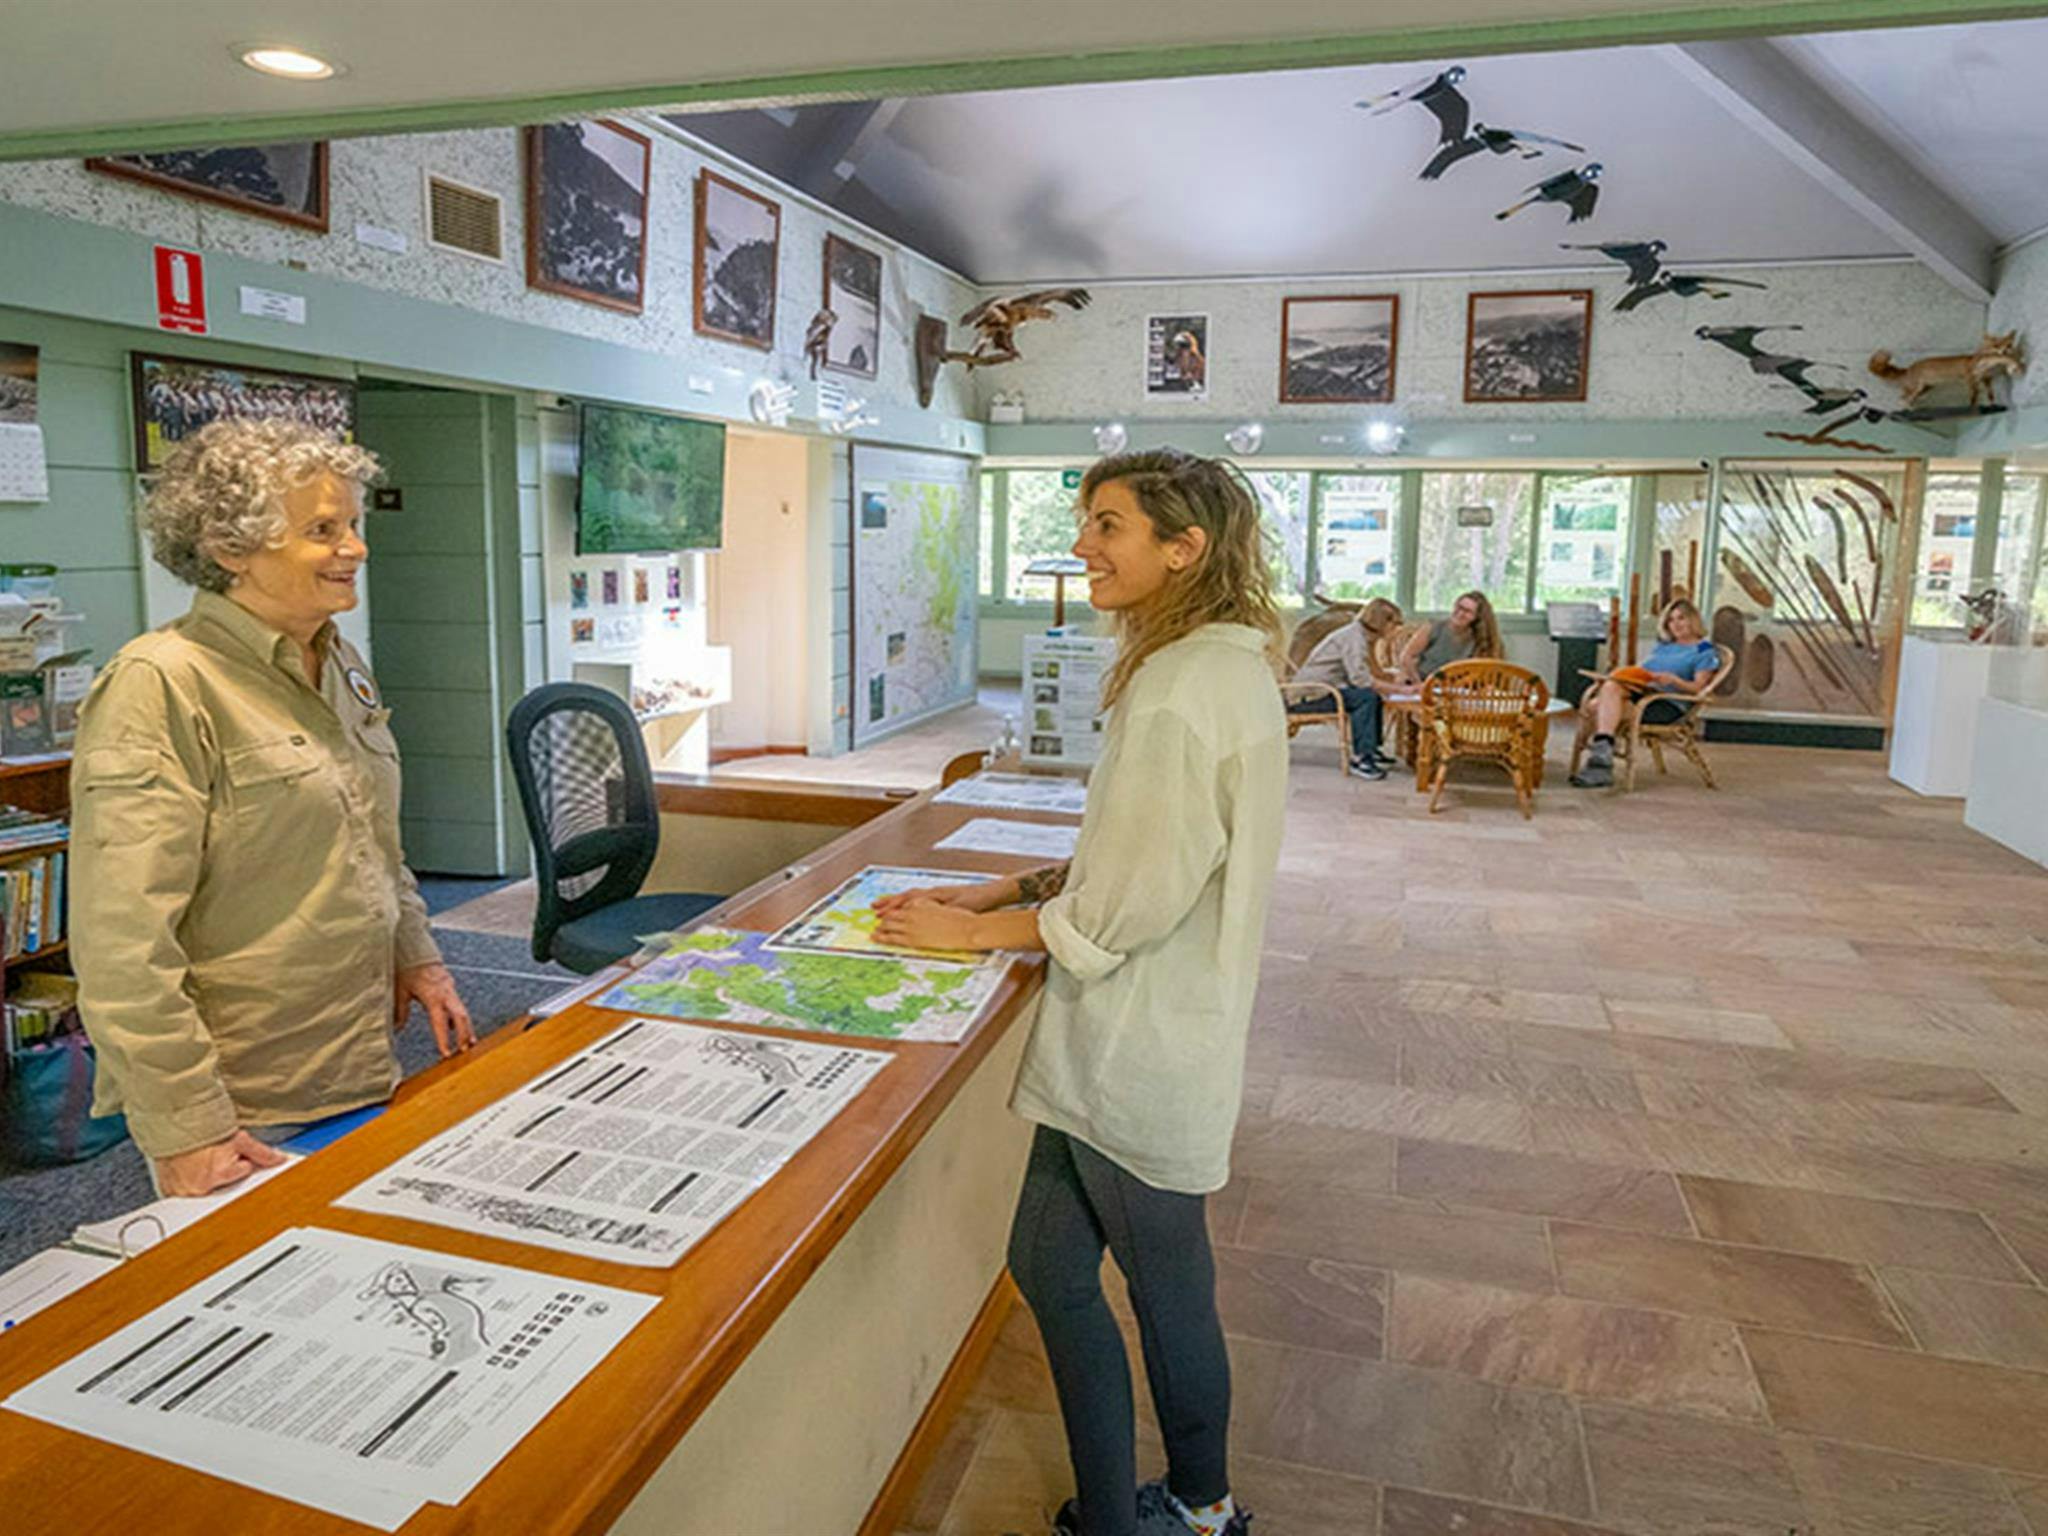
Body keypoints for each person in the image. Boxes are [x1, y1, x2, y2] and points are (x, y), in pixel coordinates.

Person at [874, 449, 1285, 1536]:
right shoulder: (1212, 665)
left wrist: (973, 932)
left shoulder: (1180, 691)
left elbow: (1127, 905)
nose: (1083, 546)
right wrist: (1011, 881)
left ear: (1181, 548)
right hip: (1115, 1041)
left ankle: (1200, 1510)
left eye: (1109, 526)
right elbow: (1141, 852)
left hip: (1139, 1047)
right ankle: (1110, 1513)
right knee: (1048, 1268)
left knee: (1167, 1295)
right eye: (1084, 521)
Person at [71, 418, 472, 1198]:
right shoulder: (160, 685)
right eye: (322, 530)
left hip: (357, 1056)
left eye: (352, 524)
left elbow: (372, 840)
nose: (355, 548)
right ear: (230, 548)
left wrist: (417, 954)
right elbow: (122, 945)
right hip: (249, 1101)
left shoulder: (335, 657)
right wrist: (191, 1130)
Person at [1571, 597, 1722, 787]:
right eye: (1671, 620)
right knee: (1608, 689)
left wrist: (1674, 680)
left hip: (1666, 703)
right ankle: (1601, 761)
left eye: (1681, 618)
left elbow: (1700, 688)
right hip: (1645, 693)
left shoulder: (1704, 648)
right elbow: (1645, 670)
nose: (1675, 624)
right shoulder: (1665, 645)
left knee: (1596, 706)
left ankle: (1599, 761)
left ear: (1693, 620)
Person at [1287, 596, 1403, 779]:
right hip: (1308, 696)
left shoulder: (1359, 635)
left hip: (1323, 690)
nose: (1397, 629)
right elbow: (1360, 679)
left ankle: (1371, 749)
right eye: (1395, 624)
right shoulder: (1354, 638)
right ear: (1382, 623)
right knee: (1366, 697)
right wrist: (1399, 690)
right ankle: (1361, 759)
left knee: (1372, 695)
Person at [1396, 588, 1503, 682]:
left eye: (1467, 611)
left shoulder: (1477, 638)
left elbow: (1480, 670)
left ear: (1476, 617)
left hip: (1456, 687)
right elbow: (1406, 656)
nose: (1460, 613)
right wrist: (1417, 683)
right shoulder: (1433, 628)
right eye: (1459, 607)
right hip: (1423, 680)